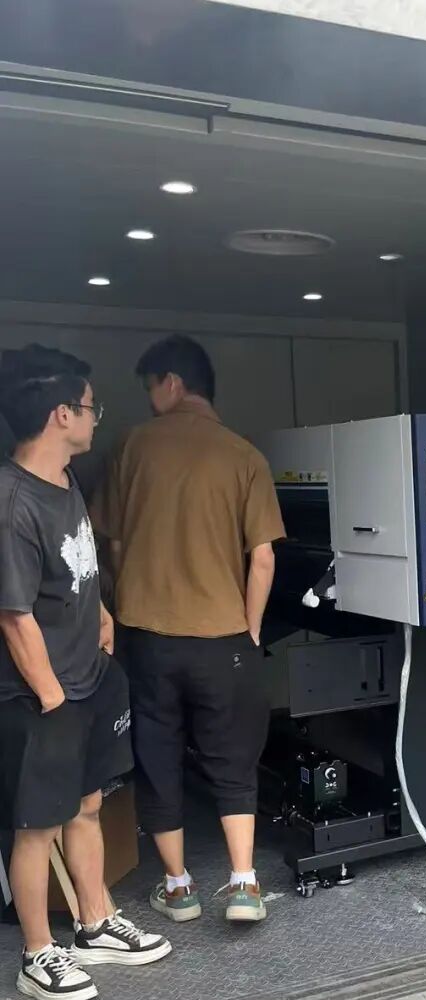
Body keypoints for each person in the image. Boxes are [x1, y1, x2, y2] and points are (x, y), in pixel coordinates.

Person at [93, 335, 285, 924]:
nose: (148, 398)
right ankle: (244, 883)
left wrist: (122, 600)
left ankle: (178, 888)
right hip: (224, 640)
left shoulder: (131, 446)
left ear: (172, 383)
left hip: (147, 637)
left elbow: (111, 543)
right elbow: (263, 559)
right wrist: (251, 631)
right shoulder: (244, 456)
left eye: (151, 386)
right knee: (232, 757)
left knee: (158, 756)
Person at [0, 345, 171, 1000]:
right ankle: (38, 953)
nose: (98, 418)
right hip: (42, 696)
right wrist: (53, 699)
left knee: (89, 805)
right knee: (37, 825)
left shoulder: (64, 480)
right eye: (91, 407)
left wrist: (99, 610)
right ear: (61, 413)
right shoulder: (12, 502)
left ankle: (95, 922)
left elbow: (78, 563)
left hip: (88, 679)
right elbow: (14, 617)